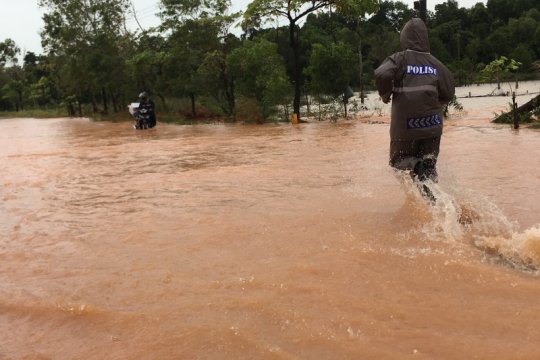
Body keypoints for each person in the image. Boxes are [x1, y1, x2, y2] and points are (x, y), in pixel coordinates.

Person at [374, 18, 455, 201]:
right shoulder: (436, 64)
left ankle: (416, 165)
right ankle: (437, 210)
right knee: (430, 168)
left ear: (404, 38)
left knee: (398, 161)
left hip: (406, 127)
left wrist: (386, 94)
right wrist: (436, 103)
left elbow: (381, 73)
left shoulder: (400, 59)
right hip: (433, 126)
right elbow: (449, 91)